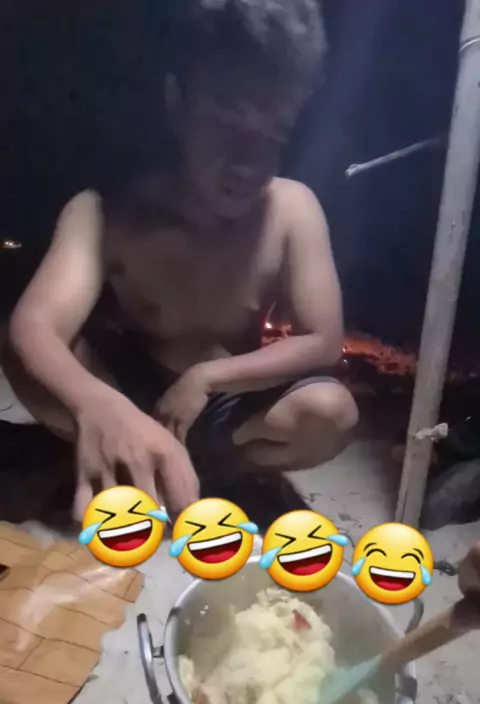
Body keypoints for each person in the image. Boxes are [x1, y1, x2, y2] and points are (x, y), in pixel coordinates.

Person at [5, 0, 358, 522]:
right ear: (178, 103)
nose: (248, 159)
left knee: (330, 413)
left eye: (275, 133)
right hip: (130, 392)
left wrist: (209, 377)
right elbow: (35, 324)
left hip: (226, 400)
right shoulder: (109, 210)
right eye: (228, 119)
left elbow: (322, 340)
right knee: (28, 362)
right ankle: (121, 445)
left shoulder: (294, 209)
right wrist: (98, 405)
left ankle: (206, 467)